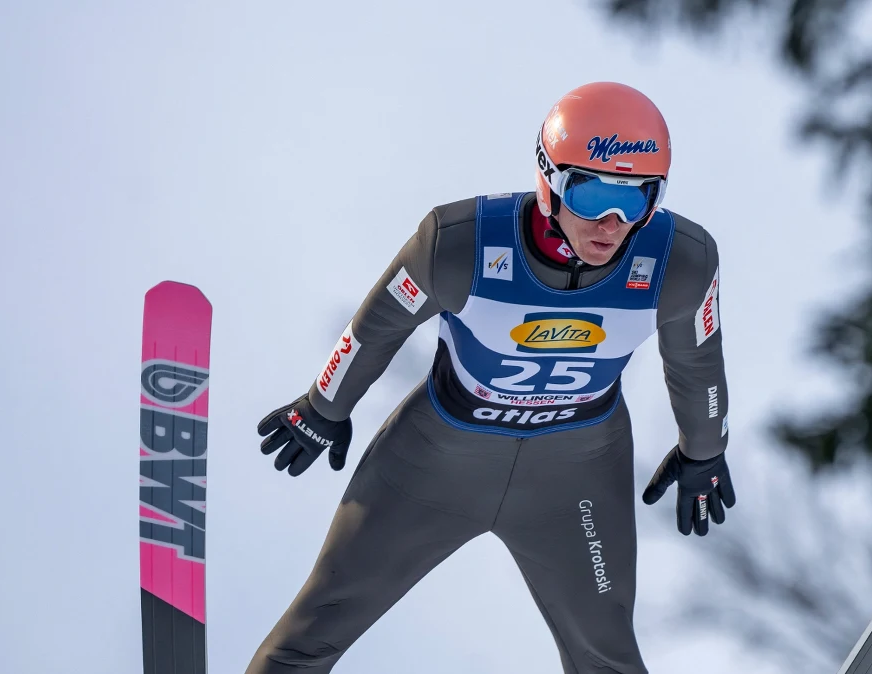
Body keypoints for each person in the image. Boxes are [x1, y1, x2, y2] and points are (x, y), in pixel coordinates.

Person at [246, 81, 735, 674]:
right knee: (313, 630)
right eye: (592, 194)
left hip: (576, 472)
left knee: (606, 658)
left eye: (635, 200)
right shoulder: (460, 243)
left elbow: (696, 360)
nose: (611, 222)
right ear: (549, 179)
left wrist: (704, 451)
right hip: (437, 461)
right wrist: (323, 407)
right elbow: (376, 328)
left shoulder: (678, 260)